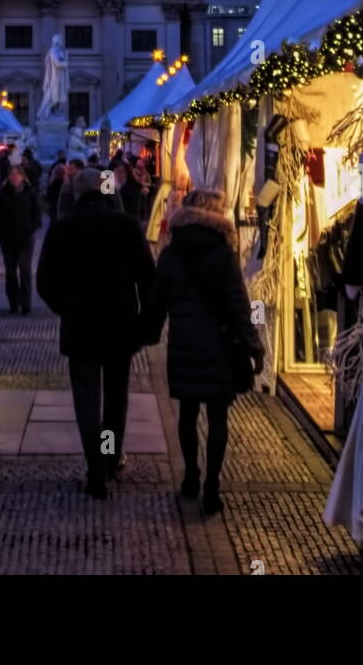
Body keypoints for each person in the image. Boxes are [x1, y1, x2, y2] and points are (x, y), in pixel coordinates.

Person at [36, 167, 155, 499]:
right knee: (115, 402)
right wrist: (145, 320)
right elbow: (148, 279)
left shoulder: (63, 229)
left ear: (76, 193)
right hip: (120, 327)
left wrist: (67, 307)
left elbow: (45, 282)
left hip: (81, 328)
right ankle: (110, 456)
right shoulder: (127, 226)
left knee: (87, 401)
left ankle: (95, 468)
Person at [144, 189, 263, 515]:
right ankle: (212, 486)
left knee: (187, 412)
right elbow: (240, 307)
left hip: (183, 344)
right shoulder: (224, 255)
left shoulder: (171, 253)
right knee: (218, 417)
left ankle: (191, 477)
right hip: (219, 346)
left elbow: (157, 302)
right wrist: (254, 346)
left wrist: (149, 333)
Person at [0, 164, 42, 315]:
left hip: (26, 237)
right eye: (11, 174)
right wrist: (0, 230)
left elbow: (37, 213)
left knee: (25, 269)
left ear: (22, 176)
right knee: (11, 271)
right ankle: (13, 303)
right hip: (7, 238)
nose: (14, 177)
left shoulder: (30, 193)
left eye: (17, 174)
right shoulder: (2, 193)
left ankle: (26, 304)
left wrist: (31, 228)